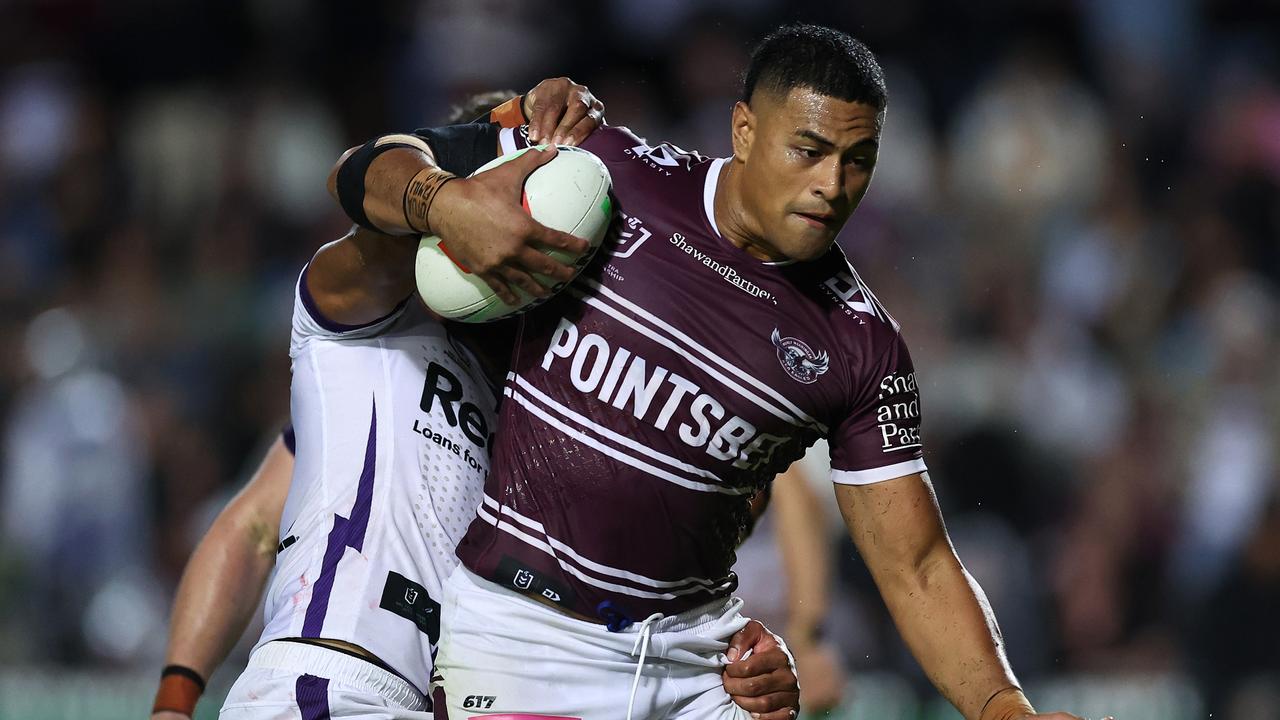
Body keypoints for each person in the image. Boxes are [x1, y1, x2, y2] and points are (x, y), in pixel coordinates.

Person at [332, 24, 1116, 720]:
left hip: (706, 668)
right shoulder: (605, 175)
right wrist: (440, 201)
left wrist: (1004, 708)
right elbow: (364, 169)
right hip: (525, 646)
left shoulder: (862, 345)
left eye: (858, 160)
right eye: (808, 151)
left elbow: (914, 564)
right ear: (743, 129)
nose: (832, 185)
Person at [150, 80, 800, 720]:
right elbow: (253, 526)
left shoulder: (553, 411)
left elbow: (679, 544)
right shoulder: (372, 325)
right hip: (333, 684)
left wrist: (726, 660)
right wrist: (174, 702)